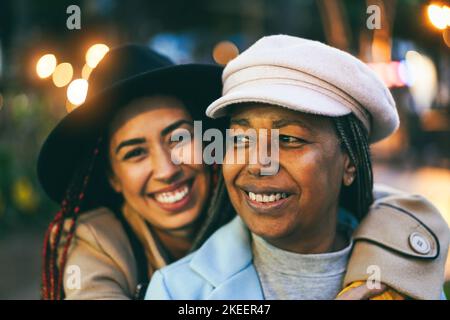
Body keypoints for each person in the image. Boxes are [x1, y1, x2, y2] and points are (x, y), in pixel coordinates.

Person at [145, 35, 449, 300]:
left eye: (289, 139)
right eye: (240, 139)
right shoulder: (178, 291)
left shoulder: (407, 277)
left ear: (349, 164)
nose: (257, 164)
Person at [37, 44, 232, 299]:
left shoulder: (250, 211)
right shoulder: (97, 241)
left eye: (178, 138)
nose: (166, 170)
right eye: (135, 153)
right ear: (112, 177)